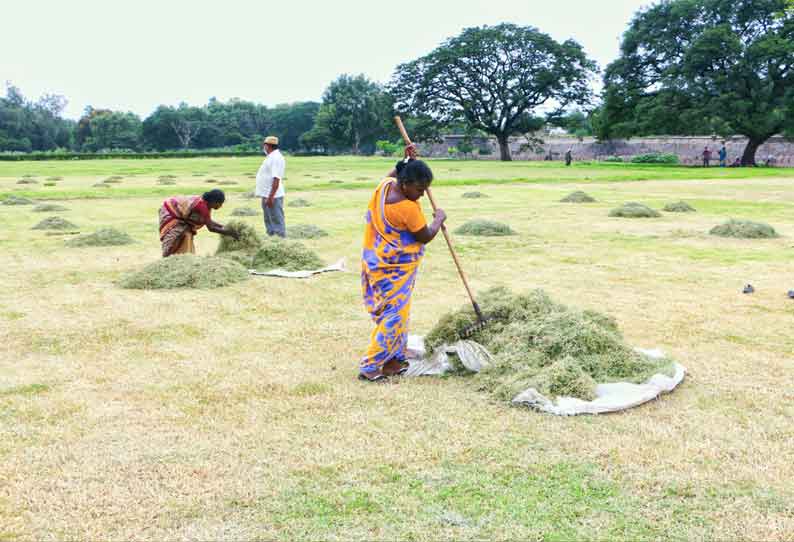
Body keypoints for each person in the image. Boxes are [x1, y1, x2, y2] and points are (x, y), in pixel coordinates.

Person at [358, 145, 447, 382]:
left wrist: (406, 159)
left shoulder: (385, 186)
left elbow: (393, 173)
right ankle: (371, 365)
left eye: (425, 189)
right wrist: (438, 219)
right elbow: (424, 236)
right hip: (393, 270)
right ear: (406, 184)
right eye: (419, 189)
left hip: (376, 262)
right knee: (394, 315)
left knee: (399, 311)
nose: (421, 194)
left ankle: (395, 357)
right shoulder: (407, 208)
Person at [158, 189, 238, 257]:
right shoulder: (202, 206)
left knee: (187, 235)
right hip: (171, 211)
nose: (220, 206)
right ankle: (169, 257)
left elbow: (209, 221)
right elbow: (211, 228)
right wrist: (230, 233)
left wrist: (224, 227)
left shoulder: (206, 205)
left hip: (181, 217)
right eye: (219, 203)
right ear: (213, 201)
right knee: (177, 234)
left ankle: (183, 257)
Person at [255, 135, 287, 237]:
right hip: (266, 194)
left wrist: (271, 196)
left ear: (267, 146)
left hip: (273, 195)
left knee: (276, 219)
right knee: (268, 219)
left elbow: (276, 178)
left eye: (264, 145)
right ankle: (271, 238)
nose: (264, 148)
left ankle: (280, 241)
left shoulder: (277, 158)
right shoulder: (271, 157)